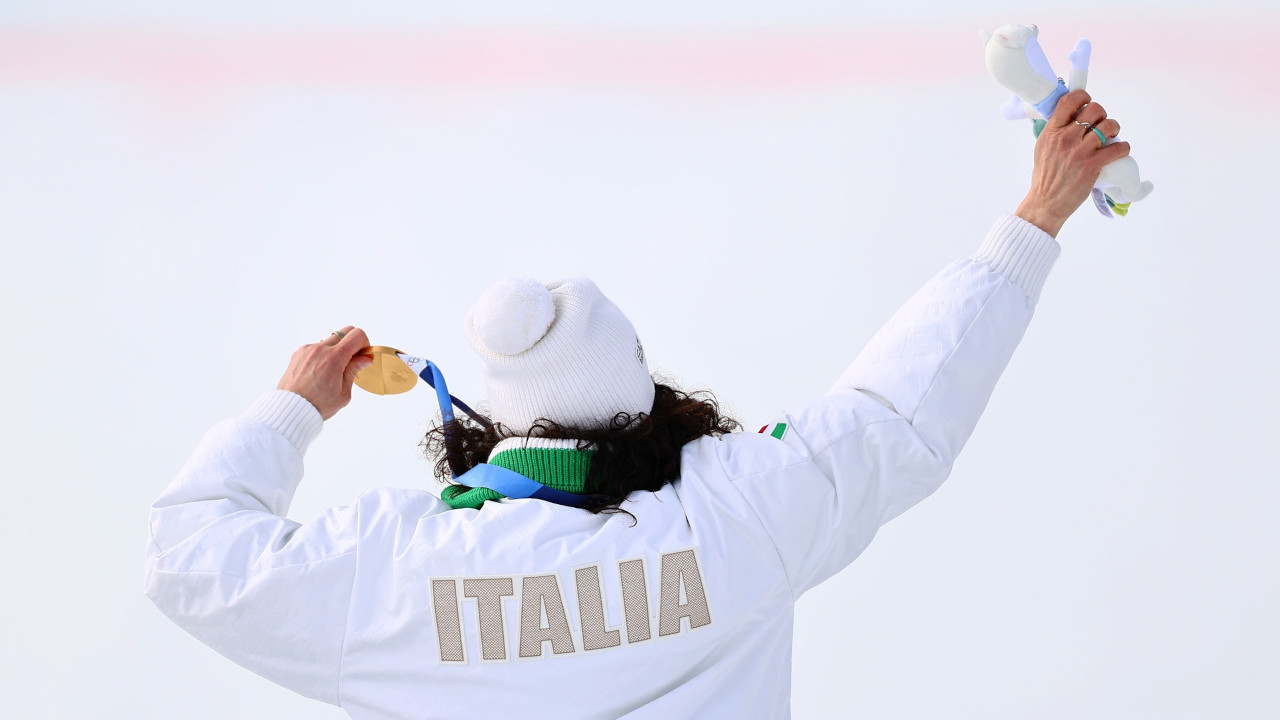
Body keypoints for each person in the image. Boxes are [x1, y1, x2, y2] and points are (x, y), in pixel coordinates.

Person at [145, 89, 1131, 719]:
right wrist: (1034, 216)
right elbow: (896, 407)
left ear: (499, 424)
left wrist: (291, 410)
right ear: (645, 399)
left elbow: (191, 559)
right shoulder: (739, 510)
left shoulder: (393, 571)